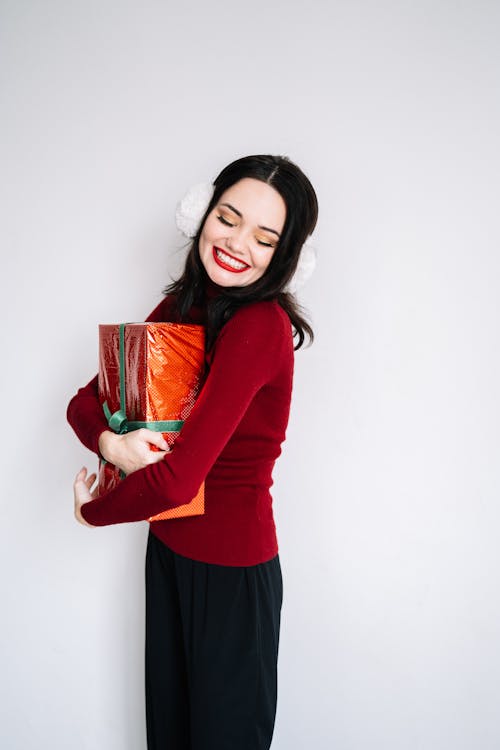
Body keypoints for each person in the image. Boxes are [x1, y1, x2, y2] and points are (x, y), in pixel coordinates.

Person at [67, 153, 319, 750]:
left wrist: (90, 512)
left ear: (285, 258)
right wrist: (114, 443)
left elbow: (178, 481)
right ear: (200, 213)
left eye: (263, 237)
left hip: (232, 573)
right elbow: (84, 401)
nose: (236, 243)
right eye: (227, 218)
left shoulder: (260, 324)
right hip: (170, 550)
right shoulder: (187, 304)